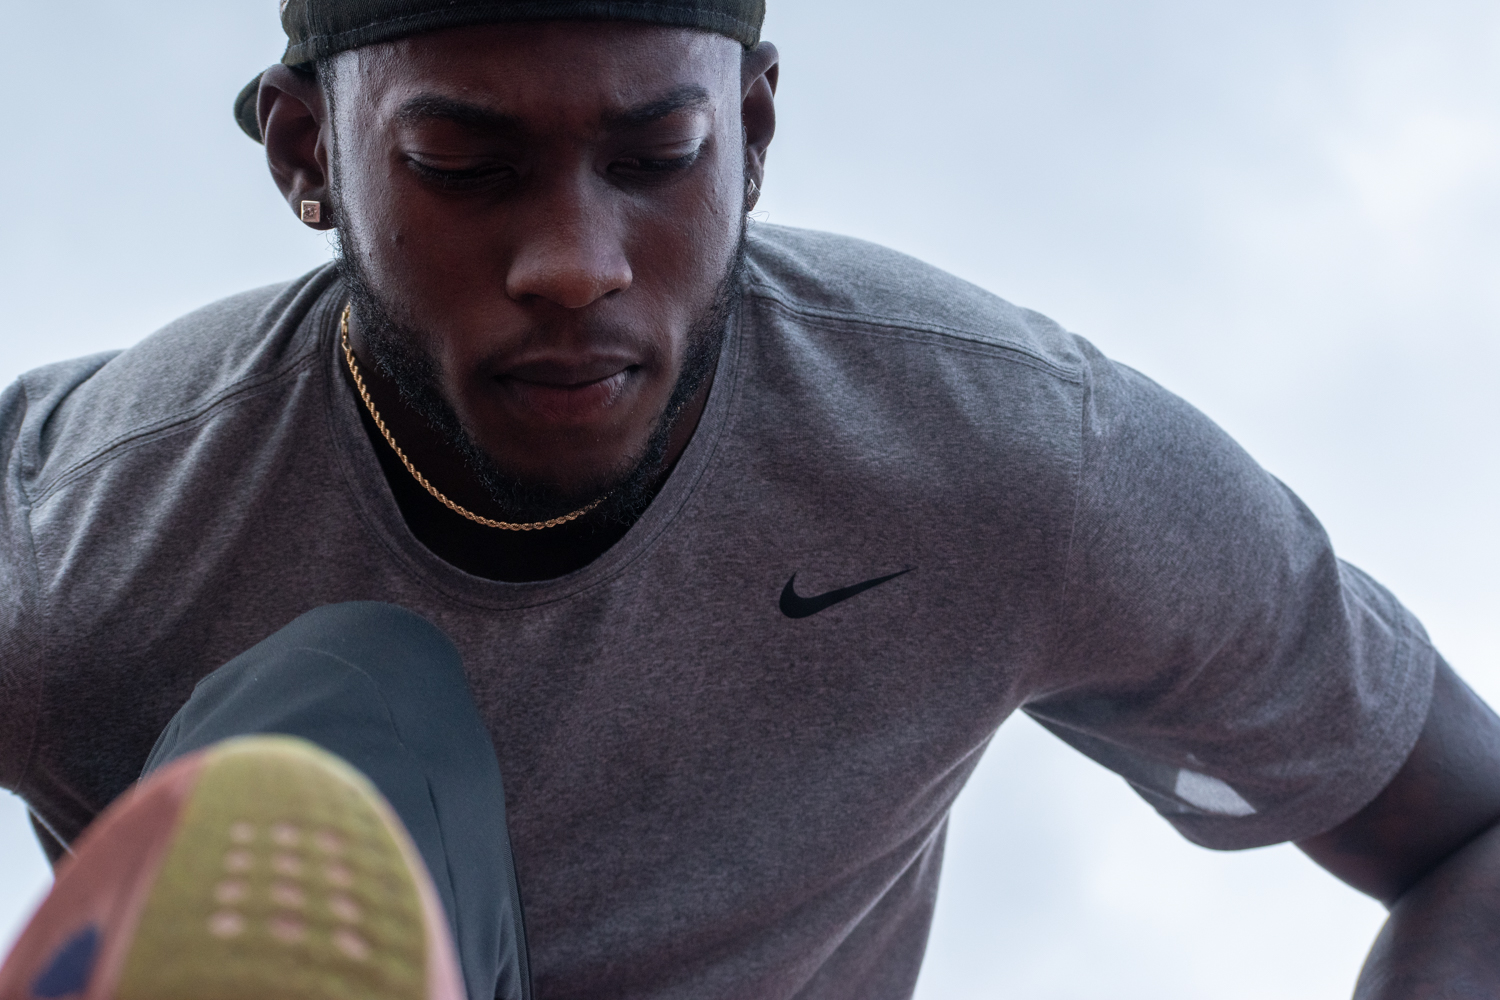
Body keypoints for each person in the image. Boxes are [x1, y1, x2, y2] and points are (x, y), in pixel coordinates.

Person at [0, 1, 1497, 997]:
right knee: (344, 709)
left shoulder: (1011, 458)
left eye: (659, 157)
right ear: (306, 151)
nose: (577, 260)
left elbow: (1468, 832)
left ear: (758, 136)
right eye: (464, 164)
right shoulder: (71, 531)